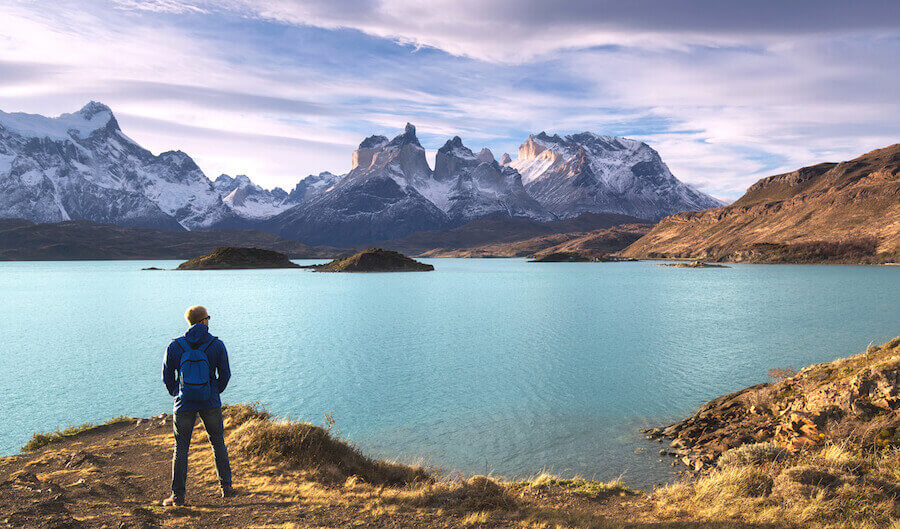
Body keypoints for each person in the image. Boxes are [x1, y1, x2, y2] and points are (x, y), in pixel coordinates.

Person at [161, 305, 235, 506]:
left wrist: (177, 393)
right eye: (208, 317)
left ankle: (178, 496)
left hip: (183, 403)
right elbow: (225, 374)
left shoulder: (175, 346)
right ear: (204, 321)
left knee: (181, 448)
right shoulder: (216, 345)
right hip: (209, 401)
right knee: (217, 442)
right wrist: (213, 391)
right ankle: (226, 487)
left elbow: (167, 376)